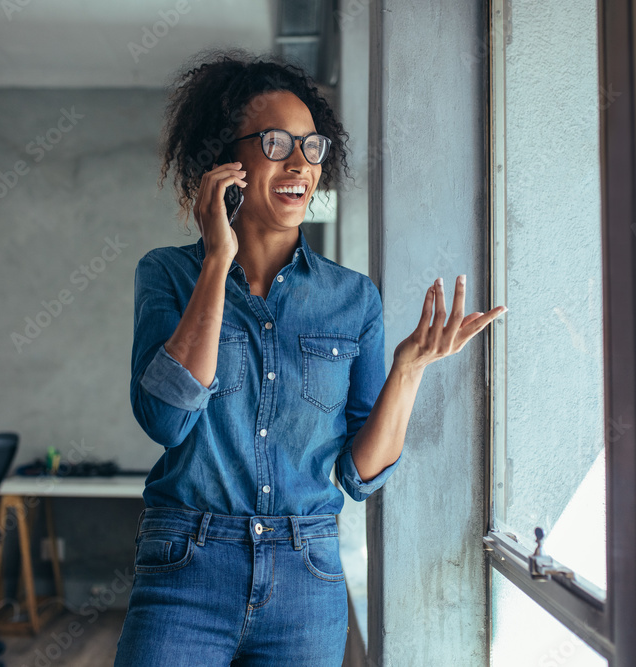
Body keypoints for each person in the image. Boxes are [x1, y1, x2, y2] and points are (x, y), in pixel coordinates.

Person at [115, 49, 507, 666]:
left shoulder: (353, 300)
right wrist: (218, 260)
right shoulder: (167, 273)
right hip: (185, 568)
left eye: (312, 147)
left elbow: (359, 477)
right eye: (275, 143)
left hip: (306, 577)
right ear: (226, 158)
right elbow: (165, 420)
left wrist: (408, 369)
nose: (301, 163)